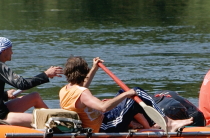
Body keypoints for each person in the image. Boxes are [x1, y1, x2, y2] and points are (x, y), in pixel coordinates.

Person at [60, 56, 193, 133]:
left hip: (102, 119)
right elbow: (103, 107)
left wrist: (94, 68)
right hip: (104, 126)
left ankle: (152, 124)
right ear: (83, 72)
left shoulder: (66, 90)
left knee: (122, 92)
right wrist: (126, 95)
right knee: (135, 92)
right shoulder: (83, 93)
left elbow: (82, 86)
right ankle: (167, 122)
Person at [0, 37, 63, 127]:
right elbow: (22, 84)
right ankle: (56, 124)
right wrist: (46, 74)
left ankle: (53, 123)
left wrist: (5, 95)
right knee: (45, 120)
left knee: (35, 96)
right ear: (4, 51)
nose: (12, 52)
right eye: (10, 49)